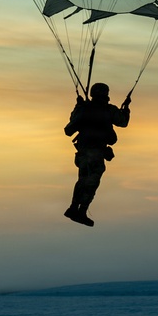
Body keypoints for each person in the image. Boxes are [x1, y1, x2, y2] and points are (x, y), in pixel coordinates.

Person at [63, 82, 130, 226]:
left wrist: (78, 107)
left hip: (82, 153)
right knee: (91, 182)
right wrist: (126, 109)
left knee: (82, 180)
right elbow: (123, 122)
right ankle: (81, 211)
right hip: (96, 153)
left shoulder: (84, 109)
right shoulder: (109, 110)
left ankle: (73, 208)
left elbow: (69, 128)